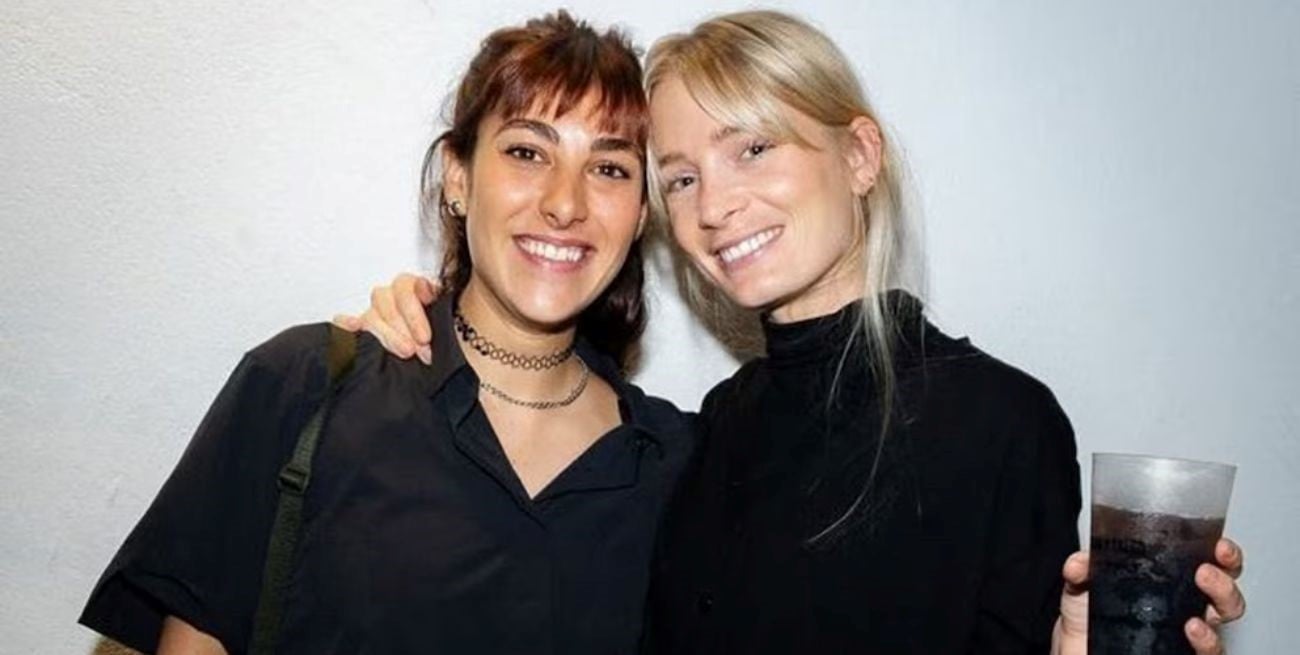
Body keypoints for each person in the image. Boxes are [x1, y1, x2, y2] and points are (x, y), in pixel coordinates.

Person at [343, 10, 1247, 654]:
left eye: (753, 147)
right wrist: (419, 328)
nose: (716, 204)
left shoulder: (1000, 423)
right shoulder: (700, 435)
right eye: (682, 177)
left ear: (858, 156)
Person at [79, 12, 696, 654]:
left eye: (609, 168)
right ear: (458, 176)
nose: (565, 203)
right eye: (526, 152)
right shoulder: (306, 387)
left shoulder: (678, 468)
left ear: (640, 215)